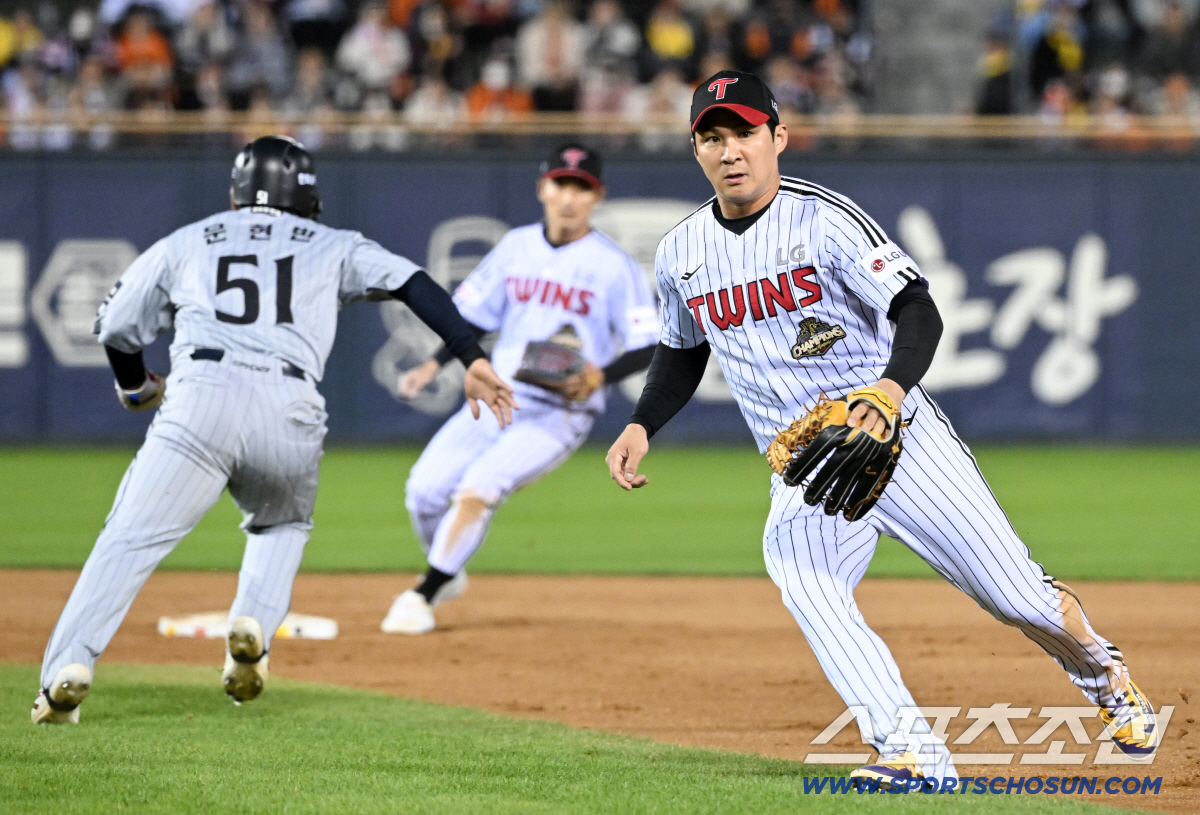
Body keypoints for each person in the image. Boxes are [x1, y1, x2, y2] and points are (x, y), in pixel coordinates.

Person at [604, 70, 1158, 787]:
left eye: (743, 132)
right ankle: (910, 749)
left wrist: (889, 390)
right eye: (712, 137)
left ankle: (1104, 675)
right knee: (804, 576)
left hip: (902, 441)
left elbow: (917, 309)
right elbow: (682, 351)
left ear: (778, 136)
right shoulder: (681, 252)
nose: (730, 150)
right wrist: (643, 423)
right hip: (808, 466)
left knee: (1016, 596)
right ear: (696, 149)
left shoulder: (824, 220)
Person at [32, 136, 515, 724]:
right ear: (307, 196)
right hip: (289, 407)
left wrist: (135, 388)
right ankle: (254, 630)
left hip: (198, 401)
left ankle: (68, 667)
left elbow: (115, 328)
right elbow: (415, 283)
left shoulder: (190, 239)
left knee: (128, 539)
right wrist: (470, 355)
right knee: (281, 523)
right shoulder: (336, 243)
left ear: (237, 195)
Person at [381, 143, 659, 635]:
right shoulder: (516, 246)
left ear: (597, 196)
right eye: (560, 184)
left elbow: (648, 344)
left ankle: (423, 592)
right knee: (421, 492)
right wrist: (432, 364)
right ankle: (447, 571)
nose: (569, 197)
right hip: (498, 395)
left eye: (581, 187)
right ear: (542, 188)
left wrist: (599, 376)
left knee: (478, 489)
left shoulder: (613, 265)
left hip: (560, 413)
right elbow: (470, 318)